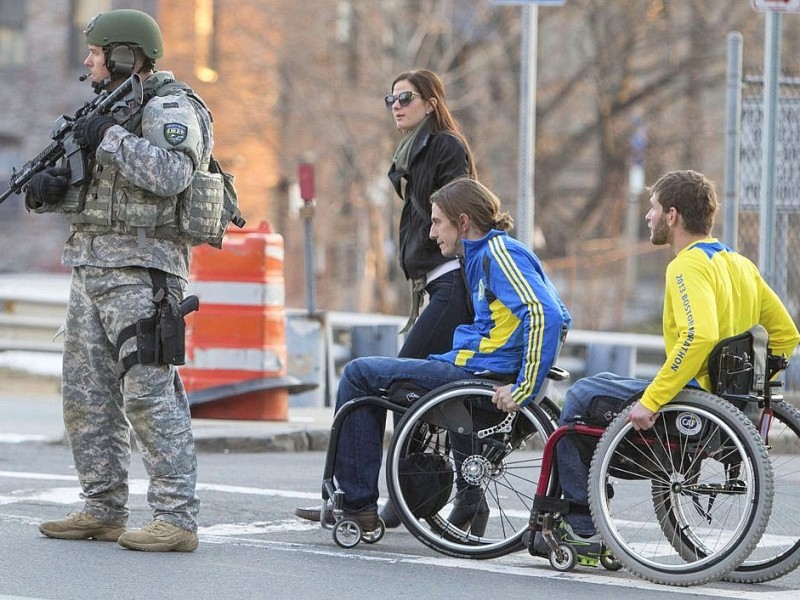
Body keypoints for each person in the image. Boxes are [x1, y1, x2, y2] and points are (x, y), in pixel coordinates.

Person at [29, 9, 215, 552]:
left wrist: (107, 137)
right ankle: (103, 507)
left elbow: (172, 174)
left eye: (95, 53)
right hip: (90, 268)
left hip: (143, 272)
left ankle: (176, 519)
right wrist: (50, 189)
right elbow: (102, 194)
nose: (87, 61)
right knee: (86, 396)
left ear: (124, 55)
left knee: (148, 393)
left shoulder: (170, 108)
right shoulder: (106, 110)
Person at [295, 177, 571, 532]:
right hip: (476, 371)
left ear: (463, 222)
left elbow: (546, 314)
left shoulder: (500, 256)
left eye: (438, 221)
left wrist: (523, 388)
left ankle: (356, 504)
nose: (430, 232)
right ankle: (375, 500)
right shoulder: (483, 256)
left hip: (482, 379)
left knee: (358, 374)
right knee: (379, 379)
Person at [554, 169, 800, 565]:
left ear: (672, 215)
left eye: (652, 208)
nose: (648, 217)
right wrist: (753, 388)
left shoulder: (686, 265)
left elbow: (697, 336)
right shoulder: (740, 264)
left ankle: (582, 526)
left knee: (581, 395)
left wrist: (652, 401)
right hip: (726, 404)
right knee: (601, 381)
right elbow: (786, 336)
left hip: (697, 401)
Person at [382, 69, 477, 526]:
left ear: (431, 103)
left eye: (406, 97)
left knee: (403, 380)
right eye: (391, 98)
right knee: (446, 387)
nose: (396, 105)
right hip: (436, 284)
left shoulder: (443, 146)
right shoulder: (414, 150)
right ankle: (463, 500)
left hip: (452, 280)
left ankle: (403, 497)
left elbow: (458, 210)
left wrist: (407, 178)